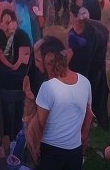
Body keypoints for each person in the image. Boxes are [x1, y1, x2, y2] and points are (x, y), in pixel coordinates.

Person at [34, 36, 93, 170]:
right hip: (75, 151)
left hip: (51, 151)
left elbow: (40, 125)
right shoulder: (85, 82)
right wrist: (83, 139)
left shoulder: (48, 87)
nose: (36, 64)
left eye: (38, 60)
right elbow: (89, 114)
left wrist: (36, 145)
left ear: (49, 61)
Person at [0, 8, 31, 149]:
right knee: (10, 117)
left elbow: (23, 61)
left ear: (15, 22)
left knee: (10, 116)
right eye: (4, 22)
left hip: (15, 84)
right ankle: (12, 146)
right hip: (5, 83)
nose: (7, 25)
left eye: (10, 21)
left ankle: (12, 147)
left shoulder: (20, 36)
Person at [68, 5, 110, 130]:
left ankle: (88, 124)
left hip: (90, 73)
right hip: (97, 71)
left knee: (90, 100)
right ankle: (98, 123)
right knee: (98, 98)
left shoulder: (84, 36)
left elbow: (84, 60)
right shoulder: (96, 29)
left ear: (75, 17)